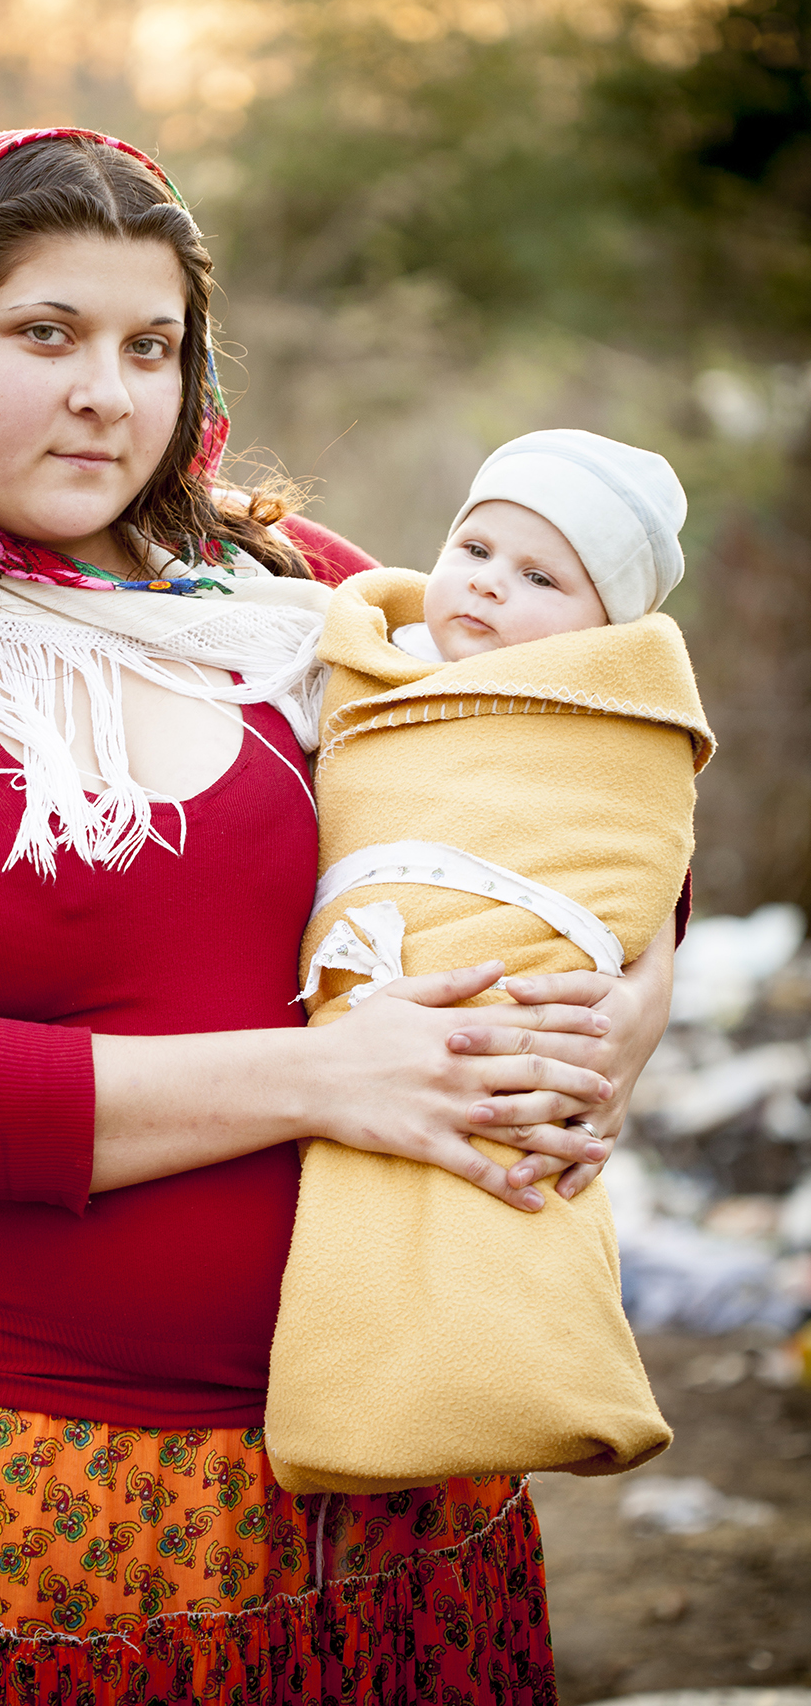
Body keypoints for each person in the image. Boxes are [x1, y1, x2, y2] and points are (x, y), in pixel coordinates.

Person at [0, 130, 675, 1706]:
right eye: (45, 335)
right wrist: (325, 1077)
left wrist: (621, 1021)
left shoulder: (309, 602)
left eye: (151, 346)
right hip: (81, 1493)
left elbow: (588, 757)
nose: (108, 393)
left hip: (420, 1447)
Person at [267, 430, 713, 1497]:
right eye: (475, 550)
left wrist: (640, 979)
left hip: (503, 998)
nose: (485, 587)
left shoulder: (599, 716)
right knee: (367, 1224)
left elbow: (634, 840)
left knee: (506, 1176)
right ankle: (358, 1404)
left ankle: (535, 1379)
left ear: (605, 633)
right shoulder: (373, 660)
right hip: (356, 1010)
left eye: (540, 577)